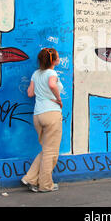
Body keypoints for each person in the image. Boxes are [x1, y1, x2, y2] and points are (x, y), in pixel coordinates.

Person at [21, 48, 64, 192]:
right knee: (51, 152)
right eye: (58, 57)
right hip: (51, 113)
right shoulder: (52, 73)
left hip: (38, 115)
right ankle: (46, 185)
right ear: (53, 60)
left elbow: (30, 93)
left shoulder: (36, 74)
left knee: (46, 150)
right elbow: (52, 85)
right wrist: (58, 99)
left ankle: (30, 178)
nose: (59, 59)